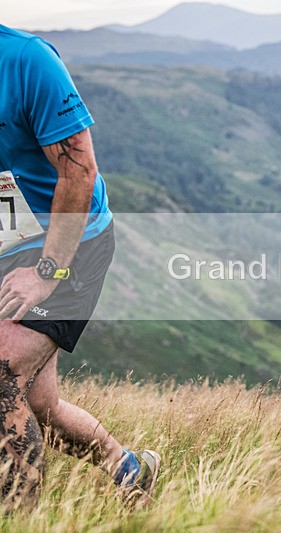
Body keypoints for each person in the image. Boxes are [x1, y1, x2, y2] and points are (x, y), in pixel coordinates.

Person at [0, 25, 159, 509]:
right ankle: (128, 469)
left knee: (1, 378)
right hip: (9, 241)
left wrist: (47, 271)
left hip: (70, 243)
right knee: (38, 404)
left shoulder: (28, 61)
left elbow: (79, 170)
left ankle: (18, 517)